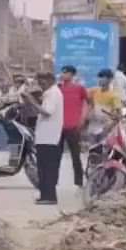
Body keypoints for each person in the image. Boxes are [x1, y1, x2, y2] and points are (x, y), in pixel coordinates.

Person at [26, 71, 64, 205]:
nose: (40, 84)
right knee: (43, 168)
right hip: (46, 136)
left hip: (49, 137)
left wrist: (32, 102)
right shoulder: (50, 93)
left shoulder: (53, 93)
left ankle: (49, 196)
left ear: (49, 81)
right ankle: (45, 195)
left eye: (42, 81)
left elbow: (47, 111)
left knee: (47, 168)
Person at [57, 66, 90, 188]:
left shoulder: (79, 88)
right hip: (59, 127)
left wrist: (83, 118)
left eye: (66, 73)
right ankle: (53, 181)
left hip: (74, 127)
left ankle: (79, 182)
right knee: (56, 156)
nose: (63, 74)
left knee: (75, 156)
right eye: (63, 72)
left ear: (72, 75)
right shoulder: (58, 88)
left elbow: (88, 102)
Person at [89, 69, 124, 136]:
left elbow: (119, 115)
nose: (100, 79)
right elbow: (91, 107)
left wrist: (108, 128)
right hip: (94, 126)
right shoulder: (95, 91)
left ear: (110, 79)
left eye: (102, 77)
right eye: (99, 77)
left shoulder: (114, 95)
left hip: (106, 128)